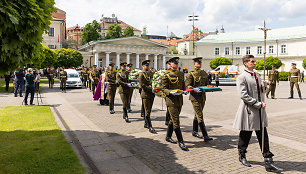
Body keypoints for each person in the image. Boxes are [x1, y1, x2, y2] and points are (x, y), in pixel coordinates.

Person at [233, 55, 282, 172]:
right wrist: (257, 104)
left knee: (263, 135)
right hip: (249, 110)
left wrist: (264, 87)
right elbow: (243, 95)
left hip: (260, 111)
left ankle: (268, 159)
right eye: (252, 62)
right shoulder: (242, 77)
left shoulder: (257, 75)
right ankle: (242, 154)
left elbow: (262, 92)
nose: (254, 63)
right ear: (245, 63)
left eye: (254, 62)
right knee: (246, 134)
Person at [162, 57, 188, 151]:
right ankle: (181, 141)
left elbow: (184, 87)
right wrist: (170, 92)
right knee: (176, 121)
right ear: (170, 64)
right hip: (171, 100)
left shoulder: (181, 74)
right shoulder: (166, 75)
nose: (176, 64)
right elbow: (163, 88)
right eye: (174, 63)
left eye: (177, 63)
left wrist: (185, 91)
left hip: (179, 100)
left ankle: (168, 136)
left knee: (173, 120)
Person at [185, 57, 213, 142]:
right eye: (197, 63)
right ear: (194, 64)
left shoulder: (204, 73)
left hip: (202, 97)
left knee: (197, 115)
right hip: (194, 97)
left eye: (200, 63)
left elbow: (207, 84)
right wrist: (193, 89)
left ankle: (194, 131)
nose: (199, 64)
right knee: (200, 115)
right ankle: (205, 135)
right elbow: (188, 85)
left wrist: (210, 87)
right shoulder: (191, 74)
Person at [139, 60, 156, 134]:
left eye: (148, 65)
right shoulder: (141, 74)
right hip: (145, 94)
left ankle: (146, 123)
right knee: (147, 110)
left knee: (149, 109)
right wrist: (151, 89)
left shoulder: (151, 73)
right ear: (143, 66)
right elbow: (142, 85)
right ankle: (150, 126)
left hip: (151, 94)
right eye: (146, 65)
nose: (147, 66)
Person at [164, 60, 172, 125]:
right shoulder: (165, 73)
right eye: (169, 64)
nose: (170, 66)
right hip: (167, 92)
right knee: (168, 106)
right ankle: (168, 120)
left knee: (170, 107)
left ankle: (169, 119)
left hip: (174, 92)